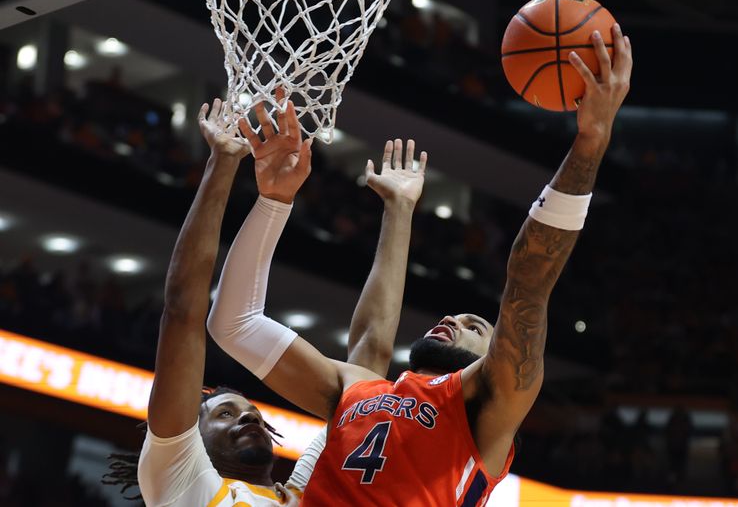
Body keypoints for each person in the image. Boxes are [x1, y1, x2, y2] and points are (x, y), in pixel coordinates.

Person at [208, 25, 633, 506]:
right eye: (457, 316)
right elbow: (239, 326)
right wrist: (389, 209)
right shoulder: (356, 390)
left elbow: (529, 281)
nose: (452, 318)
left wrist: (591, 140)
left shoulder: (487, 405)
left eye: (475, 325)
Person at [104, 92, 428, 505]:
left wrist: (398, 210)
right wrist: (222, 162)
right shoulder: (181, 478)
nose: (248, 416)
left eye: (249, 413)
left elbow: (365, 370)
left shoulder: (301, 493)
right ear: (193, 439)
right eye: (225, 414)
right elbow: (183, 310)